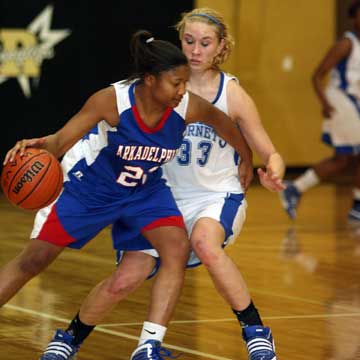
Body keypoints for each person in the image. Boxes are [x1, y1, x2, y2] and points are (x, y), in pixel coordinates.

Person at [38, 9, 285, 360]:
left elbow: (266, 147)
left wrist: (270, 167)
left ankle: (255, 331)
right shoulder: (158, 88)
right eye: (188, 41)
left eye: (205, 43)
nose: (195, 50)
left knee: (204, 242)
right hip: (161, 194)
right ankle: (70, 338)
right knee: (127, 277)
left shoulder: (231, 94)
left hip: (215, 193)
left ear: (221, 47)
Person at [280, 0, 360, 221]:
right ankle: (357, 206)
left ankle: (295, 188)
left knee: (343, 160)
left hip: (353, 103)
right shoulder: (346, 43)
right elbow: (317, 74)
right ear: (354, 18)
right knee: (348, 157)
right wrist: (324, 103)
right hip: (340, 102)